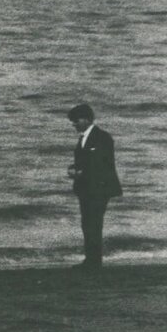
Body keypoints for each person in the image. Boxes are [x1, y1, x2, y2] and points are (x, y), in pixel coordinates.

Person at [67, 102, 122, 268]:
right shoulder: (84, 138)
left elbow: (101, 163)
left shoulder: (102, 137)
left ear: (86, 119)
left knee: (94, 223)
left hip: (99, 188)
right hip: (86, 188)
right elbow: (84, 161)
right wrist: (73, 169)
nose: (74, 124)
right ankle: (91, 259)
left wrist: (81, 172)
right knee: (87, 223)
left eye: (76, 120)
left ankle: (94, 261)